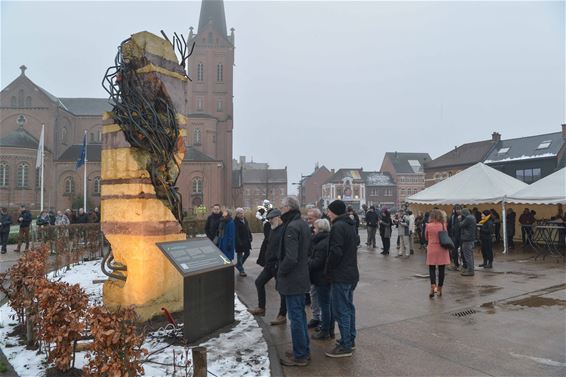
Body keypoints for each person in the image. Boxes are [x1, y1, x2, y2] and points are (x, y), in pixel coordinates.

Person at [277, 197, 311, 367]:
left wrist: (280, 271)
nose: (280, 209)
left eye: (281, 207)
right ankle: (303, 349)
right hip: (301, 276)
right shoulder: (302, 223)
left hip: (293, 279)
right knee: (300, 316)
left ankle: (300, 356)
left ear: (288, 208)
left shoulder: (291, 227)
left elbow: (291, 257)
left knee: (296, 317)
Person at [325, 199, 359, 358]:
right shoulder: (350, 224)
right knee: (348, 307)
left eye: (329, 211)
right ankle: (349, 339)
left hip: (341, 274)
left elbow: (336, 252)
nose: (327, 213)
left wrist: (329, 268)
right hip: (351, 272)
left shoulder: (338, 226)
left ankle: (346, 344)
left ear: (334, 212)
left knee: (341, 309)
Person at [248, 209, 287, 326]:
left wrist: (279, 263)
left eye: (272, 218)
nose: (270, 221)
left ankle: (282, 315)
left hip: (278, 265)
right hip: (269, 264)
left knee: (281, 290)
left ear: (279, 218)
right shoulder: (272, 229)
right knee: (259, 282)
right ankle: (261, 307)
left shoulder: (284, 230)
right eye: (269, 219)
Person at [308, 218, 333, 340]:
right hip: (321, 277)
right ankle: (327, 327)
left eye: (315, 228)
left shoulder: (322, 243)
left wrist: (306, 261)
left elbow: (317, 262)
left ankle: (325, 330)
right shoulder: (323, 240)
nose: (313, 229)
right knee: (325, 303)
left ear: (320, 230)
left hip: (322, 278)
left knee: (325, 304)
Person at [425, 209, 451, 298]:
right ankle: (439, 289)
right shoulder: (443, 225)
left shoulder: (428, 225)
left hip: (432, 248)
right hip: (442, 249)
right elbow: (446, 235)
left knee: (431, 268)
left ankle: (433, 287)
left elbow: (426, 237)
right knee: (441, 269)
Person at [306, 208, 322, 329]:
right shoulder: (310, 230)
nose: (308, 220)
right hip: (311, 267)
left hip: (319, 269)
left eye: (310, 218)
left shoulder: (322, 231)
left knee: (320, 295)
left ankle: (321, 319)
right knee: (313, 293)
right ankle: (316, 317)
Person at [234, 208, 252, 277]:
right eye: (240, 213)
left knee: (247, 253)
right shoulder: (235, 222)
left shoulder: (245, 220)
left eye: (242, 213)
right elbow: (236, 233)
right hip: (240, 242)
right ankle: (241, 270)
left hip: (246, 240)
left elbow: (248, 229)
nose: (242, 214)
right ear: (237, 214)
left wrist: (250, 236)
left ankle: (239, 265)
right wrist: (239, 242)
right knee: (240, 255)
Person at [459, 208, 476, 276]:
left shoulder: (468, 218)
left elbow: (460, 225)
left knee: (468, 255)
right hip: (471, 239)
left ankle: (470, 271)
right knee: (470, 255)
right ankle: (471, 269)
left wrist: (459, 220)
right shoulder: (472, 217)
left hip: (467, 239)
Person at [447, 206, 462, 270]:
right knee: (454, 251)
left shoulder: (463, 217)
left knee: (462, 251)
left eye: (459, 209)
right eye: (456, 209)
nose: (457, 211)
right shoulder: (452, 217)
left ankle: (462, 265)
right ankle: (456, 264)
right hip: (454, 237)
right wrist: (450, 234)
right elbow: (449, 226)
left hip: (461, 236)